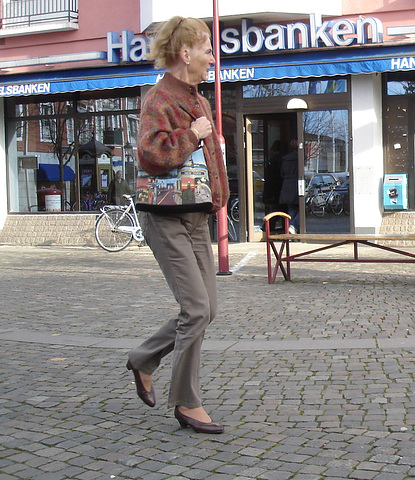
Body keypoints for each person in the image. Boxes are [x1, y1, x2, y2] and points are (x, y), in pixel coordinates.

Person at [126, 16, 229, 434]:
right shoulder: (159, 98)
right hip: (166, 218)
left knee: (209, 310)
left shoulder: (199, 100)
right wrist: (192, 134)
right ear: (185, 53)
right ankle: (187, 402)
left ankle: (143, 359)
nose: (212, 59)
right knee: (196, 309)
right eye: (207, 50)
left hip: (196, 215)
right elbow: (152, 155)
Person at [280, 138, 300, 234]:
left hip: (287, 186)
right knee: (303, 209)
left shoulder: (285, 158)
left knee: (291, 210)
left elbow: (281, 173)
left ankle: (291, 228)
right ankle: (293, 226)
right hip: (297, 184)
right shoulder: (300, 158)